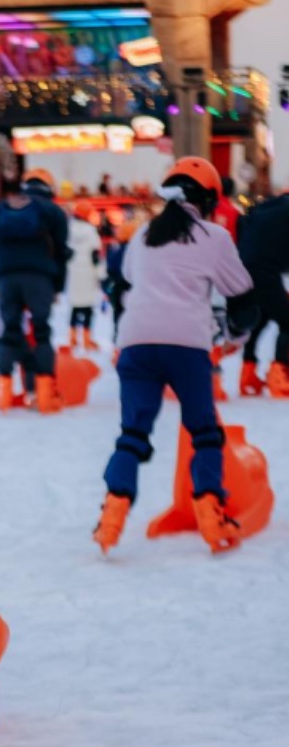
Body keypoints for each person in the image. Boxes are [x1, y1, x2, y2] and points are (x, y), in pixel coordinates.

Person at [93, 158, 257, 556]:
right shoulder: (214, 236)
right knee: (204, 433)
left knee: (133, 434)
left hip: (136, 343)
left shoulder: (144, 234)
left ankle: (111, 518)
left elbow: (126, 281)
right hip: (187, 344)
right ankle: (211, 518)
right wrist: (235, 336)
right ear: (209, 199)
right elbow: (242, 295)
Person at [0, 167, 70, 413]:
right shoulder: (53, 211)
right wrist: (57, 286)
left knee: (10, 331)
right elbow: (61, 252)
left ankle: (4, 392)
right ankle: (44, 395)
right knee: (41, 332)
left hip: (6, 276)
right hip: (40, 277)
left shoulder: (5, 207)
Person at [236, 190, 289, 397]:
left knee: (261, 318)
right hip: (264, 271)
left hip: (243, 267)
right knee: (287, 321)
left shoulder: (267, 207)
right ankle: (280, 375)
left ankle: (247, 373)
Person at [66, 200, 106, 352]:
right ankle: (87, 340)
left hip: (73, 271)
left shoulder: (69, 229)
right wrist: (101, 274)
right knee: (88, 308)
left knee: (75, 307)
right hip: (88, 272)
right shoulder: (90, 231)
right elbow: (95, 254)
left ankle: (72, 339)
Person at [103, 219, 137, 360]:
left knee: (118, 319)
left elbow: (109, 270)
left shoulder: (115, 250)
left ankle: (117, 351)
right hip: (131, 288)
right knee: (132, 320)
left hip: (117, 288)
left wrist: (107, 289)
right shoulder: (135, 250)